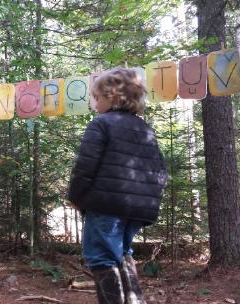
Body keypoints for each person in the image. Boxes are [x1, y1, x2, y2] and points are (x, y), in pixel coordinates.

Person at [67, 68, 167, 304]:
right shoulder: (145, 129)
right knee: (122, 254)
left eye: (97, 98)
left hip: (106, 206)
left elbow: (85, 167)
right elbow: (159, 171)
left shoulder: (101, 124)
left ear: (112, 96)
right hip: (137, 208)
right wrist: (148, 203)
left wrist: (75, 196)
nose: (95, 104)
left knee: (101, 257)